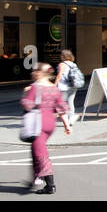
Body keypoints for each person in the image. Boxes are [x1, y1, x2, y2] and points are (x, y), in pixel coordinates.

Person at [20, 62, 70, 194]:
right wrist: (67, 125)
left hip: (38, 125)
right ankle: (36, 178)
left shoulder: (35, 88)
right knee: (36, 149)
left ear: (39, 73)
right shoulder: (54, 88)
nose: (33, 73)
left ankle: (50, 185)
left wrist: (25, 95)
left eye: (35, 70)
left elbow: (28, 105)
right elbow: (61, 108)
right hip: (50, 125)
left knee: (41, 154)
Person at [57, 49, 86, 125]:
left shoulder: (62, 64)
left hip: (64, 86)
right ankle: (71, 117)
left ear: (63, 56)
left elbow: (59, 75)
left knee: (62, 103)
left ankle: (67, 118)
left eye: (61, 55)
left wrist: (54, 84)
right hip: (73, 86)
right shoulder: (73, 64)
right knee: (70, 102)